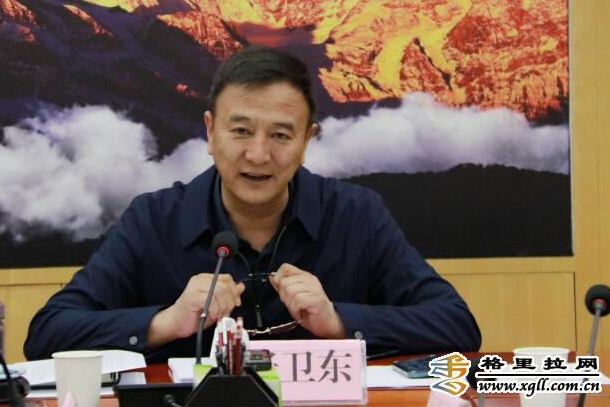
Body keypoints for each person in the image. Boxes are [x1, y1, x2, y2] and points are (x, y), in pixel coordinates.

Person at [24, 46, 481, 362]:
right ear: (210, 132)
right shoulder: (154, 219)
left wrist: (339, 321)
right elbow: (48, 333)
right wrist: (167, 322)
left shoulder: (356, 214)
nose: (259, 155)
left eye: (280, 135)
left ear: (306, 141)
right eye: (240, 131)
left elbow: (456, 325)